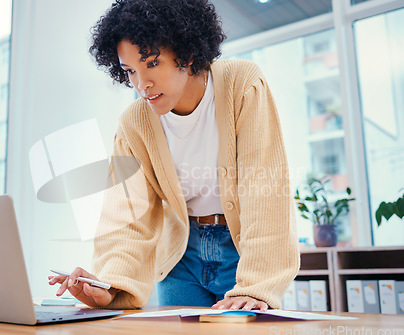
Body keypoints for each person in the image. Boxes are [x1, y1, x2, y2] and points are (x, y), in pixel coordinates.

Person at [49, 0, 300, 311]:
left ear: (186, 52)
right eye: (130, 71)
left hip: (242, 252)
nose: (141, 85)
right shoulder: (134, 123)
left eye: (152, 63)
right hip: (180, 258)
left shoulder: (241, 85)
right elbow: (127, 216)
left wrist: (258, 285)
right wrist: (109, 284)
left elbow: (265, 191)